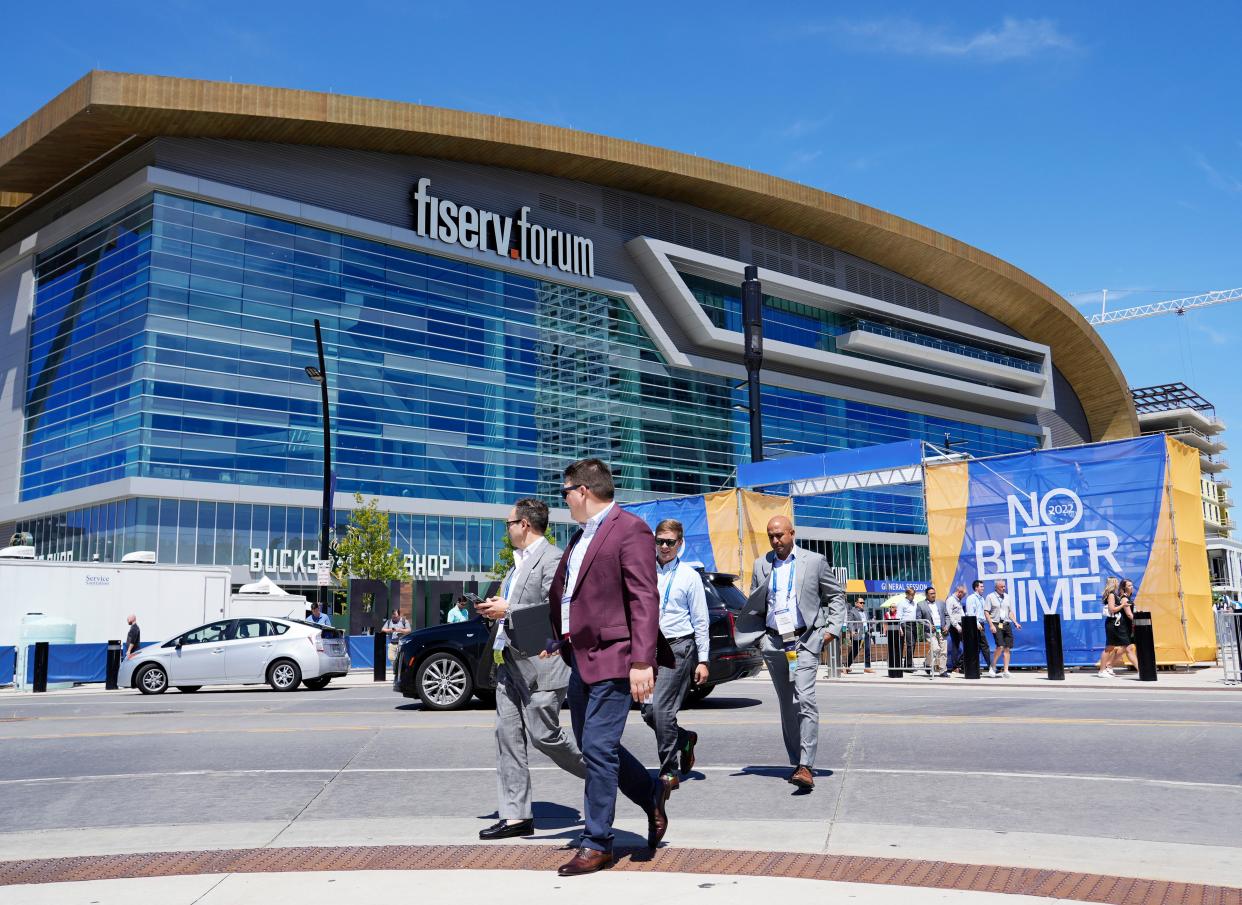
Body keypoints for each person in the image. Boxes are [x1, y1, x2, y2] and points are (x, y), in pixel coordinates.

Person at [547, 459, 672, 877]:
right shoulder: (581, 536)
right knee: (594, 745)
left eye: (564, 491)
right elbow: (572, 596)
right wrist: (557, 635)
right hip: (580, 656)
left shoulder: (629, 528)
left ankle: (597, 840)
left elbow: (643, 596)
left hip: (617, 656)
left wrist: (642, 659)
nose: (563, 498)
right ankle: (652, 791)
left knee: (599, 748)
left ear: (583, 490)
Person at [475, 498, 586, 840]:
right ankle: (515, 816)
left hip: (542, 665)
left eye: (509, 523)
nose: (506, 529)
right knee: (506, 738)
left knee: (544, 736)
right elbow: (513, 608)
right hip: (510, 664)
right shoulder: (514, 566)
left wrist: (508, 608)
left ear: (524, 524)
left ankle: (603, 772)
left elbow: (559, 608)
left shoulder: (552, 559)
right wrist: (493, 607)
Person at [749, 515, 846, 791]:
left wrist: (832, 629)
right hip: (774, 642)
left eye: (779, 535)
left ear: (792, 533)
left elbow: (836, 596)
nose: (775, 540)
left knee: (805, 699)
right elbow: (756, 603)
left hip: (804, 640)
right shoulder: (761, 564)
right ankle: (797, 761)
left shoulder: (814, 562)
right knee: (787, 705)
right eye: (771, 536)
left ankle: (806, 765)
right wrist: (759, 639)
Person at [641, 519, 709, 789]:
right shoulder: (644, 572)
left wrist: (703, 660)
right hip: (647, 649)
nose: (665, 546)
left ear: (680, 544)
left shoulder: (690, 576)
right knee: (648, 712)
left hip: (677, 648)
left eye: (670, 541)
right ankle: (684, 739)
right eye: (660, 541)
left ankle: (668, 770)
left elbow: (701, 621)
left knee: (662, 709)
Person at [985, 579, 1020, 677]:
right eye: (1001, 587)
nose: (1004, 588)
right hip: (996, 623)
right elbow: (986, 611)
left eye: (1004, 586)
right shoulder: (990, 597)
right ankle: (993, 666)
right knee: (1000, 646)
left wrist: (1015, 622)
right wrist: (991, 625)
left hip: (1006, 624)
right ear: (996, 587)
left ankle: (1006, 671)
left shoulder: (1007, 597)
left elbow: (1010, 612)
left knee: (1007, 648)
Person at [915, 586, 949, 677]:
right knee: (935, 649)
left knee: (944, 651)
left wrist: (947, 626)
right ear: (926, 595)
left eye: (934, 593)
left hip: (942, 630)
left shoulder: (941, 603)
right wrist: (928, 625)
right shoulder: (920, 604)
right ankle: (927, 663)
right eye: (931, 594)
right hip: (930, 631)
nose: (933, 595)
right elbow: (918, 619)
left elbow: (947, 616)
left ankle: (942, 670)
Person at [963, 580, 993, 673]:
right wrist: (977, 623)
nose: (983, 588)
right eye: (981, 586)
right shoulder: (971, 598)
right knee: (982, 646)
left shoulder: (982, 599)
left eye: (983, 586)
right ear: (976, 588)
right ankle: (991, 667)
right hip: (974, 624)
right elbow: (970, 613)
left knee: (979, 647)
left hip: (981, 623)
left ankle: (963, 666)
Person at [1097, 577, 1122, 678]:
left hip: (1114, 622)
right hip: (1112, 622)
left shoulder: (1112, 594)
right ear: (1114, 583)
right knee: (1109, 647)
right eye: (1117, 582)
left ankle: (1106, 667)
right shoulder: (1111, 595)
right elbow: (1112, 609)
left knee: (1112, 647)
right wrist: (1122, 605)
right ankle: (1102, 670)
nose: (1118, 584)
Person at [382, 609, 410, 685]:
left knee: (402, 659)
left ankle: (399, 674)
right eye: (393, 617)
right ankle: (397, 669)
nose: (394, 618)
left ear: (399, 615)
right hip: (392, 643)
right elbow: (383, 629)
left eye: (396, 617)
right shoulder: (389, 621)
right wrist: (390, 630)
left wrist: (400, 630)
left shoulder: (404, 621)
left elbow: (409, 630)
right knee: (390, 657)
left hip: (401, 643)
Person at [846, 598, 873, 673]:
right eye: (861, 602)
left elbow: (867, 621)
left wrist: (870, 628)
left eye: (863, 602)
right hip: (857, 634)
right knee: (855, 651)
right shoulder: (852, 612)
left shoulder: (865, 611)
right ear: (856, 603)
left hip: (866, 633)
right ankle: (846, 666)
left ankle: (867, 667)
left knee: (867, 650)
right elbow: (850, 622)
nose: (862, 604)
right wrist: (852, 631)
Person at [946, 585, 967, 673]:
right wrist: (957, 626)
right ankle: (955, 666)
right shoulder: (950, 600)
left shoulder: (958, 601)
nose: (964, 596)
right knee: (956, 645)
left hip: (961, 624)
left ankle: (959, 664)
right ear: (959, 592)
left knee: (966, 644)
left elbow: (961, 613)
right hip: (955, 626)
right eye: (963, 595)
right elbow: (950, 615)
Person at [897, 587, 918, 670]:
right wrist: (899, 628)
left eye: (914, 595)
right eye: (911, 595)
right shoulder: (901, 603)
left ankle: (908, 663)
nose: (913, 596)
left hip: (913, 623)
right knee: (910, 644)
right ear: (907, 594)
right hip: (905, 624)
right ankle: (908, 665)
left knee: (913, 644)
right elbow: (898, 616)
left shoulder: (914, 603)